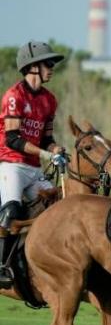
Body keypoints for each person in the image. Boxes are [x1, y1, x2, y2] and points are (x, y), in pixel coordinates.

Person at [0, 41, 67, 288]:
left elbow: (47, 138)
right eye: (47, 64)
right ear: (32, 67)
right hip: (10, 164)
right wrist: (45, 153)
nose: (52, 68)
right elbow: (13, 138)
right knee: (11, 210)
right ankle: (1, 265)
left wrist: (55, 149)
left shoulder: (50, 100)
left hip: (34, 167)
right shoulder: (14, 96)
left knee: (57, 207)